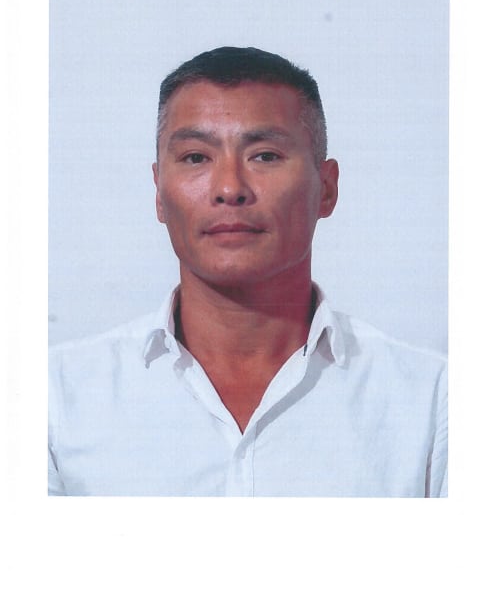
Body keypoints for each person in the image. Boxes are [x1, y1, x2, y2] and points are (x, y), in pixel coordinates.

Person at [48, 46, 447, 497]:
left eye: (265, 156)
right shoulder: (56, 399)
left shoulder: (431, 401)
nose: (229, 188)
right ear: (159, 193)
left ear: (327, 188)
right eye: (196, 157)